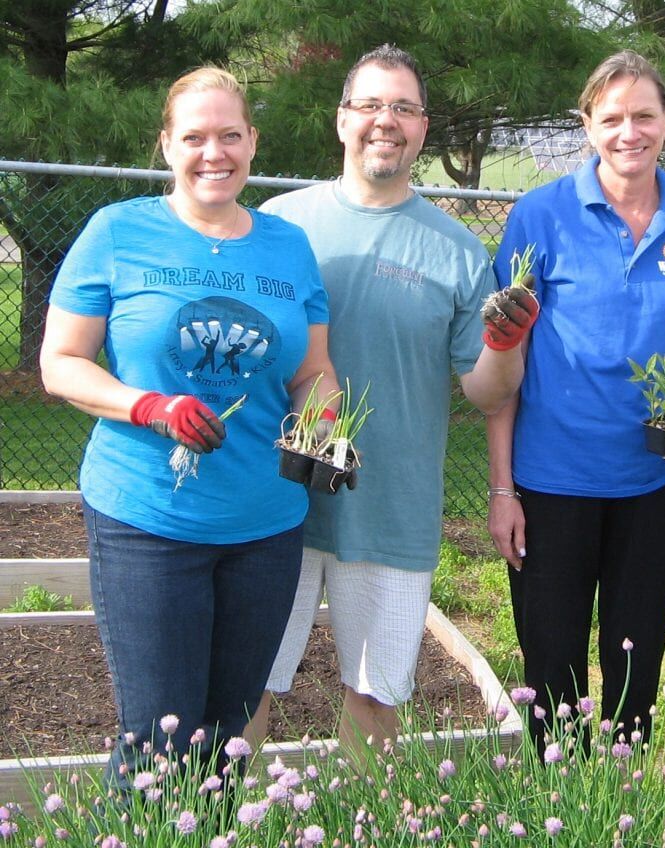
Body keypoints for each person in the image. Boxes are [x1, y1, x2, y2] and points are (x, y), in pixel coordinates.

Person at [39, 67, 339, 789]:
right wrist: (152, 407)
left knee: (227, 737)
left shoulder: (287, 246)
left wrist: (328, 429)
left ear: (252, 142)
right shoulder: (118, 232)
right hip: (149, 517)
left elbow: (312, 372)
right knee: (157, 736)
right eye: (196, 137)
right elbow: (61, 362)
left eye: (230, 135)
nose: (215, 153)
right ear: (167, 145)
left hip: (265, 525)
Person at [250, 44, 531, 753]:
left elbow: (485, 390)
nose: (387, 121)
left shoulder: (459, 251)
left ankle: (360, 825)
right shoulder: (276, 226)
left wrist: (505, 344)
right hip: (270, 500)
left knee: (375, 696)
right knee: (244, 682)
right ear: (342, 120)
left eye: (404, 107)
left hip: (392, 505)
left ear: (424, 128)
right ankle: (224, 824)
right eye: (371, 104)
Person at [487, 50, 665, 748]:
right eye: (612, 117)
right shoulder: (541, 216)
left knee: (636, 658)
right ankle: (556, 795)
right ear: (587, 125)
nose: (630, 132)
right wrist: (503, 489)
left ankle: (622, 792)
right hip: (551, 479)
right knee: (551, 659)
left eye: (645, 116)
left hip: (650, 479)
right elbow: (507, 362)